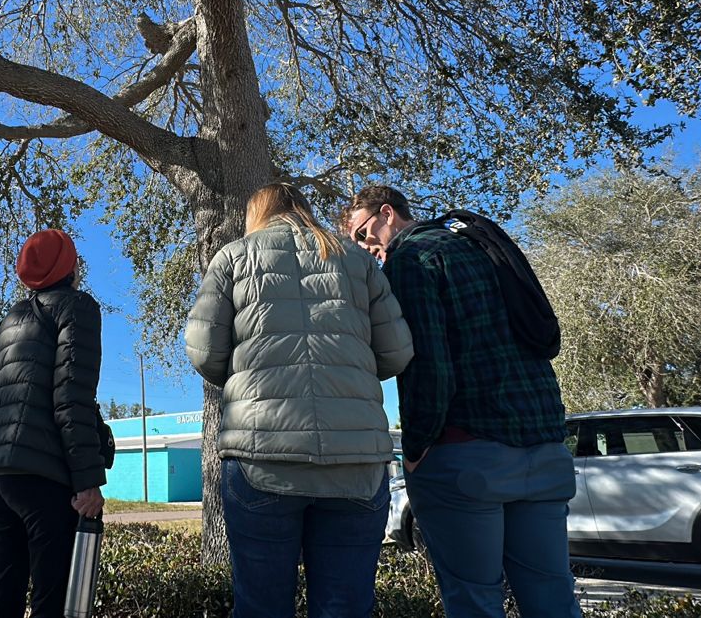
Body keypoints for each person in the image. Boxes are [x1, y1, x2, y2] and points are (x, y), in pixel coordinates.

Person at [343, 185, 581, 618]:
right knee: (552, 595)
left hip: (467, 453)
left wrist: (415, 450)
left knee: (474, 599)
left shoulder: (411, 259)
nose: (364, 247)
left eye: (362, 234)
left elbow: (428, 366)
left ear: (386, 214)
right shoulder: (480, 244)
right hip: (544, 446)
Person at [185, 183, 414, 618]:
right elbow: (398, 351)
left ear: (258, 214)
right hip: (357, 462)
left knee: (261, 607)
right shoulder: (359, 262)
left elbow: (202, 350)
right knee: (345, 607)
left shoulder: (233, 256)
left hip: (262, 456)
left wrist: (245, 378)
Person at [0, 229, 107, 618]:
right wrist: (87, 480)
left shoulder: (9, 320)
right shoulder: (77, 308)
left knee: (1, 585)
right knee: (54, 594)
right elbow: (71, 396)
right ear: (70, 267)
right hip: (45, 481)